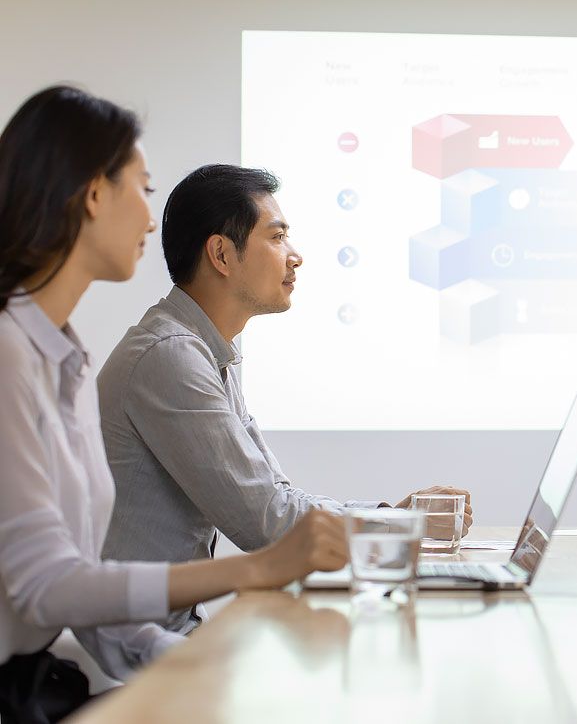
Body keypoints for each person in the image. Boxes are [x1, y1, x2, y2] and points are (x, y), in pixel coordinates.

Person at [0, 85, 346, 722]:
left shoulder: (65, 355)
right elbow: (50, 587)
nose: (149, 218)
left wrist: (189, 658)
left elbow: (86, 586)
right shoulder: (16, 355)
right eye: (143, 188)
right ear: (93, 195)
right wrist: (249, 573)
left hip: (68, 669)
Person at [95, 164, 473, 650]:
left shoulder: (206, 353)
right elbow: (266, 521)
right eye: (277, 237)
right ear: (221, 254)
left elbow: (274, 496)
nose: (296, 257)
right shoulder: (170, 357)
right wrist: (396, 525)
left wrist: (392, 517)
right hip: (138, 645)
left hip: (170, 631)